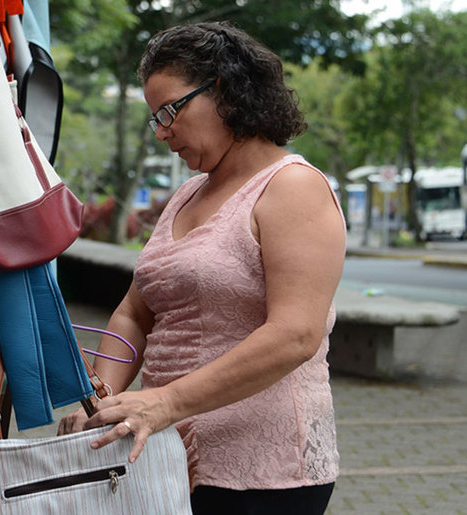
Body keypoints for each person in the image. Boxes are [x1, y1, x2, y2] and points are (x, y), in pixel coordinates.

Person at [58, 21, 345, 514]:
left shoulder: (292, 187)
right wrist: (103, 400)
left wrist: (166, 401)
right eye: (154, 118)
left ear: (227, 92)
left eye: (170, 110)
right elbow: (134, 312)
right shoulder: (188, 194)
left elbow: (296, 334)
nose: (162, 131)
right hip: (168, 459)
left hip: (263, 473)